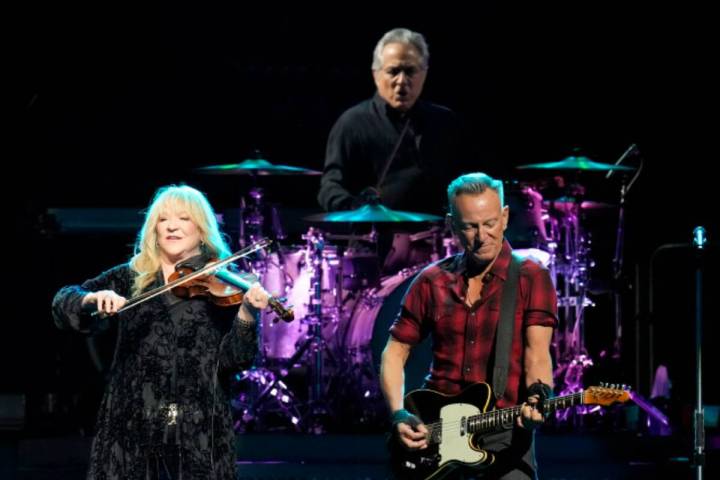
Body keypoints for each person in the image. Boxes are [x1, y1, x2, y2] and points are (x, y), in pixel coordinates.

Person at [52, 185, 270, 479]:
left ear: (202, 229)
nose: (171, 226)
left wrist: (247, 313)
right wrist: (92, 299)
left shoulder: (223, 281)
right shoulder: (130, 276)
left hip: (198, 426)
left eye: (183, 218)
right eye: (163, 219)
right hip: (131, 422)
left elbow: (236, 360)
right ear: (153, 228)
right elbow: (63, 302)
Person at [380, 173, 557, 479]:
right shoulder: (432, 280)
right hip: (434, 432)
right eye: (470, 226)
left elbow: (537, 354)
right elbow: (395, 351)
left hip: (503, 434)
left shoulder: (530, 277)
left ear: (504, 217)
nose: (482, 236)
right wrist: (398, 413)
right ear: (452, 224)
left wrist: (539, 397)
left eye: (489, 223)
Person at [317, 27, 461, 216]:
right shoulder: (352, 124)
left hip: (437, 239)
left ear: (425, 73)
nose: (401, 81)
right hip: (374, 239)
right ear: (376, 74)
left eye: (410, 71)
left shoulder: (445, 121)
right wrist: (355, 208)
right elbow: (330, 187)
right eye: (393, 71)